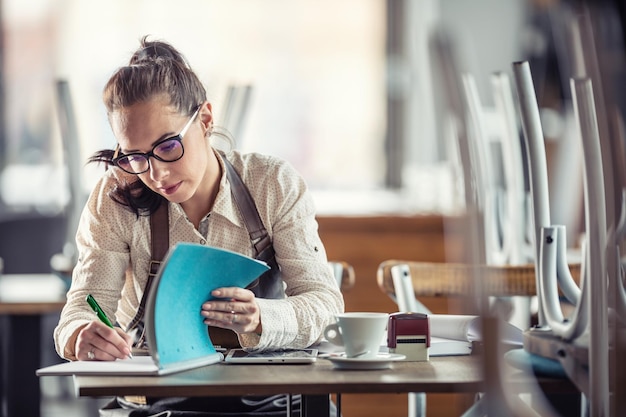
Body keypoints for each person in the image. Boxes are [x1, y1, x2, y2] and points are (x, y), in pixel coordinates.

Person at [53, 36, 344, 416]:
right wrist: (81, 335)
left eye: (168, 147)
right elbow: (81, 307)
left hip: (271, 401)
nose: (156, 174)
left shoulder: (272, 183)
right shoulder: (115, 196)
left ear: (205, 119)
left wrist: (261, 317)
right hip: (154, 403)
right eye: (136, 156)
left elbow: (325, 305)